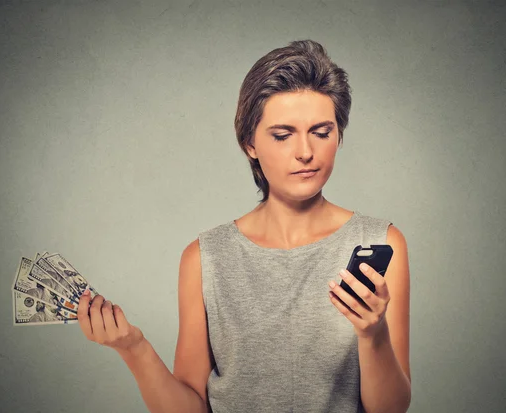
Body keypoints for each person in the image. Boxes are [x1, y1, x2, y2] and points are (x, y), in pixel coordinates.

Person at [78, 39, 411, 413]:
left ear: (339, 135)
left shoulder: (379, 241)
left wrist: (373, 334)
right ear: (249, 143)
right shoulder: (205, 258)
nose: (305, 151)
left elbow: (392, 408)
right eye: (283, 135)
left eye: (321, 132)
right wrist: (133, 348)